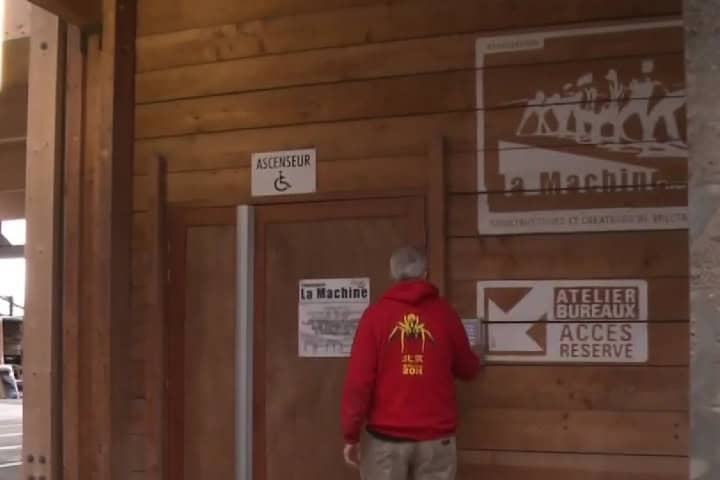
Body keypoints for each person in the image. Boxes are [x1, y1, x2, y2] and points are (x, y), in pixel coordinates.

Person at [341, 246, 482, 480]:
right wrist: (476, 357)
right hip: (437, 441)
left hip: (385, 442)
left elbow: (359, 382)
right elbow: (467, 369)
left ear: (393, 275)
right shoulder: (446, 314)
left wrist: (351, 435)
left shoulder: (375, 317)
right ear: (425, 274)